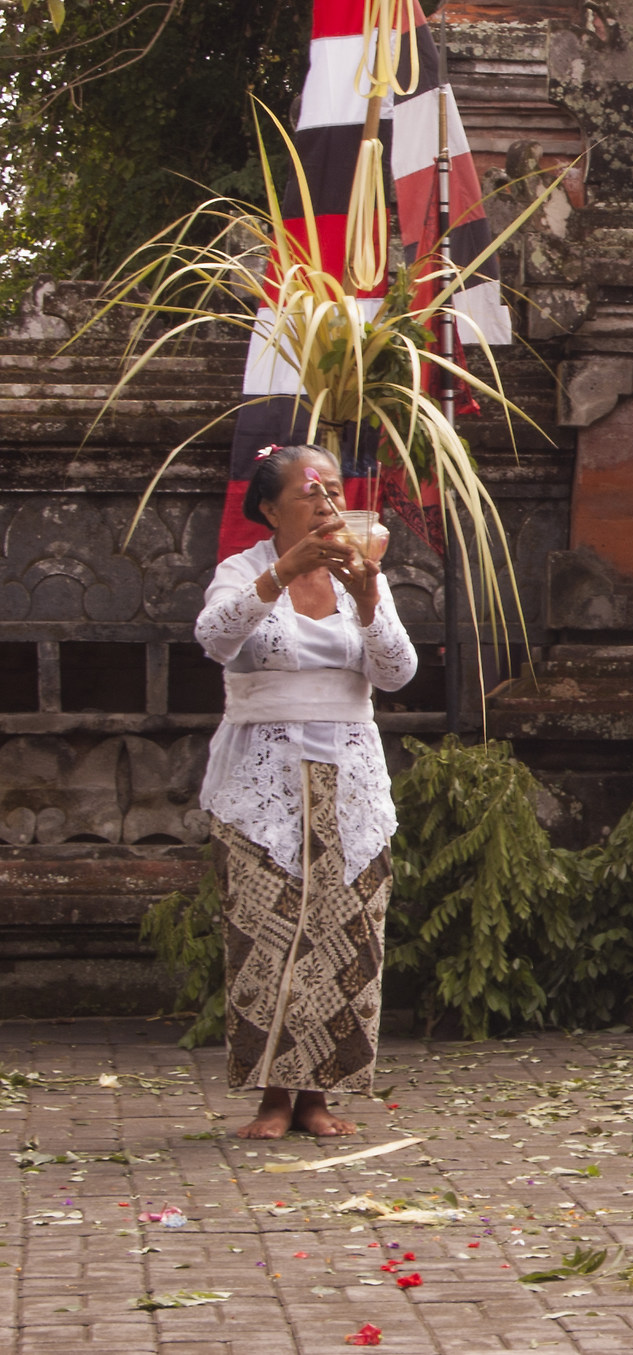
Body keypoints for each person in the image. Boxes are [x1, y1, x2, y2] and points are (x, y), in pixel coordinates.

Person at [194, 443, 418, 1139]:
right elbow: (213, 639)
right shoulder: (242, 571)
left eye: (333, 493)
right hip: (264, 779)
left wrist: (368, 597)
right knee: (268, 931)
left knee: (344, 933)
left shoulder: (361, 573)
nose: (326, 505)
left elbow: (397, 673)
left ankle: (319, 1095)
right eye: (308, 494)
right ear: (270, 509)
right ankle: (272, 1097)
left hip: (350, 776)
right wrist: (283, 573)